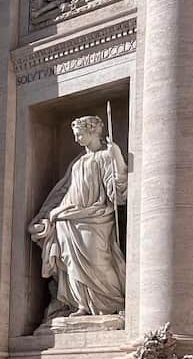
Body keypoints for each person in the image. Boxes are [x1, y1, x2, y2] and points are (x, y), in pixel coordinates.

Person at [29, 114, 127, 320]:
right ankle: (80, 304)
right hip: (67, 218)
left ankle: (113, 302)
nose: (76, 139)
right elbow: (65, 190)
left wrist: (117, 155)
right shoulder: (78, 161)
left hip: (95, 217)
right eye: (75, 135)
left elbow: (117, 192)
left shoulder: (106, 156)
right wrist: (49, 214)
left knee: (99, 260)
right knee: (70, 263)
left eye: (80, 134)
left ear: (93, 132)